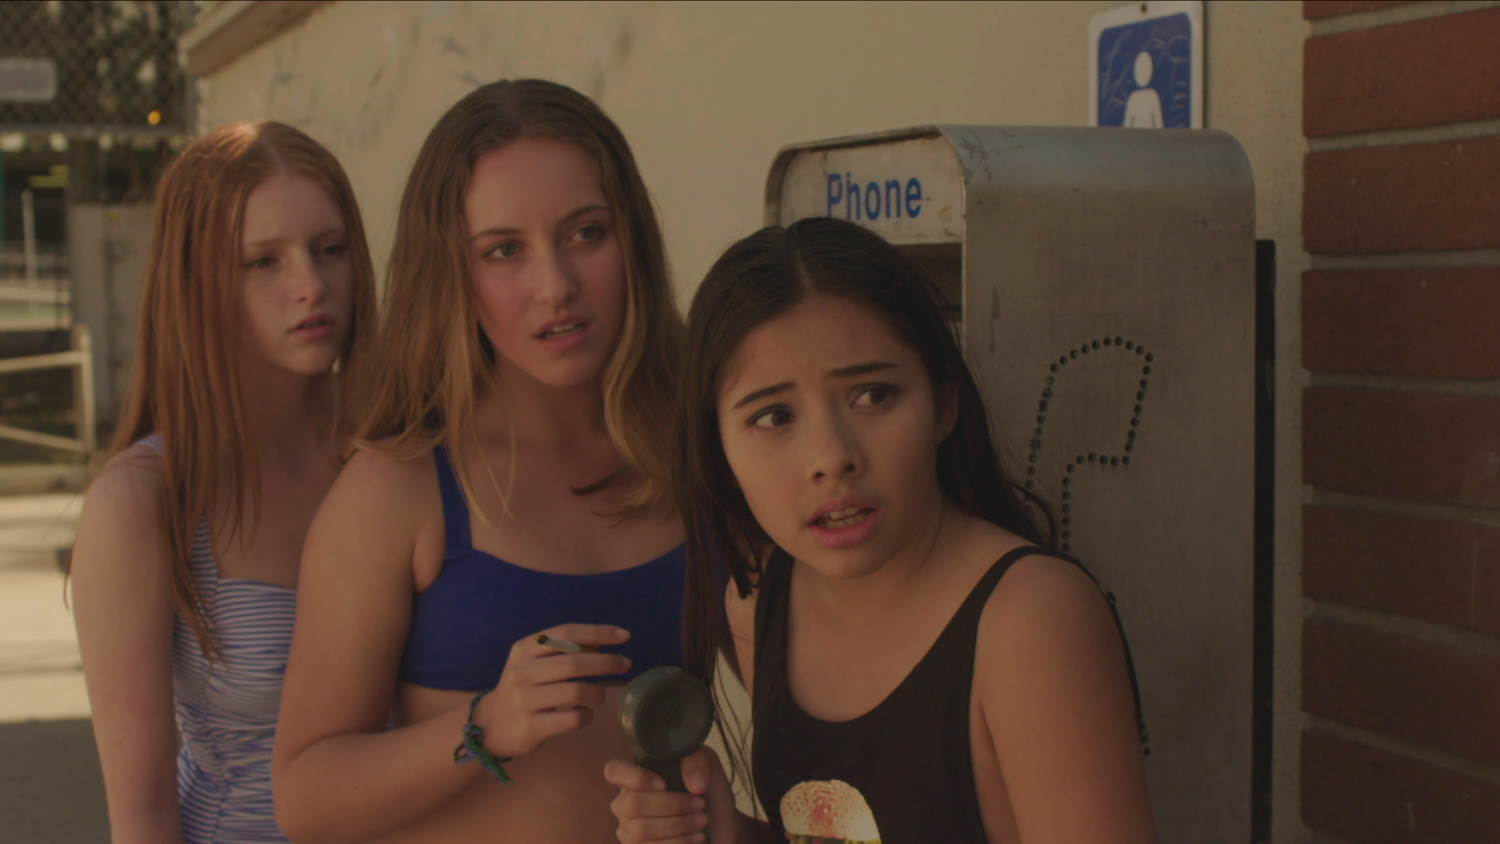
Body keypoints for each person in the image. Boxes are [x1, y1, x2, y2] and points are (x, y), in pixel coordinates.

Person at [607, 217, 1157, 844]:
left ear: (943, 400)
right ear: (718, 448)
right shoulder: (759, 600)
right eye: (773, 415)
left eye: (872, 395)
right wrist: (733, 835)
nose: (830, 456)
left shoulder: (1029, 620)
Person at [271, 79, 687, 843]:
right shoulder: (397, 488)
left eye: (587, 233)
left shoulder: (694, 454)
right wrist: (485, 725)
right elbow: (304, 798)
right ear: (452, 275)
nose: (554, 286)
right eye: (504, 250)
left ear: (633, 239)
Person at [70, 121, 377, 844]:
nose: (310, 285)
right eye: (262, 262)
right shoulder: (144, 501)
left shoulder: (400, 452)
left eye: (329, 250)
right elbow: (141, 810)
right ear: (197, 281)